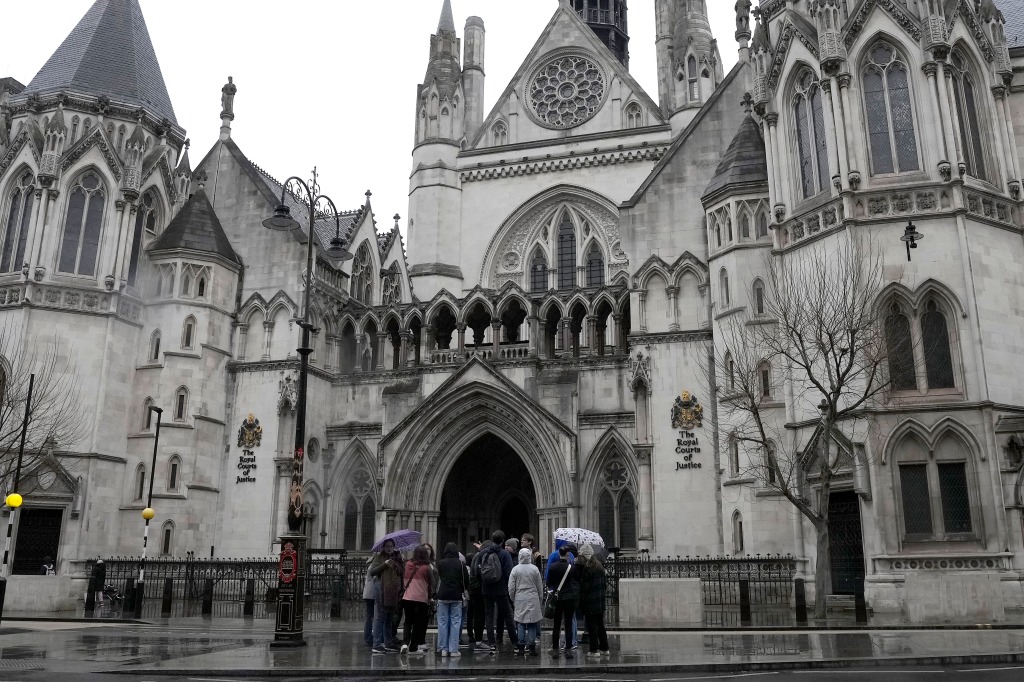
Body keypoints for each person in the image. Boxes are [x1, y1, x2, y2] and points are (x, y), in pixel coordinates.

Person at [480, 531, 518, 652]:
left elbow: (477, 571)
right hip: (501, 589)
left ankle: (492, 643)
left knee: (489, 615)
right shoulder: (504, 554)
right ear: (502, 541)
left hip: (486, 588)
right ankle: (515, 642)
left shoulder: (484, 552)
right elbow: (509, 573)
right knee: (508, 615)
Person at [369, 539, 404, 654]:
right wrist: (384, 565)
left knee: (390, 617)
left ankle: (388, 643)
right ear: (383, 547)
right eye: (387, 546)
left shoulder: (397, 557)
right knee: (380, 617)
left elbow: (401, 572)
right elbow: (372, 571)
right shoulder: (379, 557)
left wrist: (400, 561)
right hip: (381, 590)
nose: (389, 548)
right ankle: (377, 644)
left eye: (391, 546)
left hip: (393, 591)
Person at [545, 544, 580, 658]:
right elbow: (577, 580)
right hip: (569, 597)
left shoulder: (553, 567)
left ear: (559, 554)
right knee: (568, 624)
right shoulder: (571, 567)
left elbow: (548, 581)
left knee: (557, 624)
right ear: (567, 554)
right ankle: (568, 649)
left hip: (558, 597)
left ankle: (555, 649)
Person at [400, 545, 436, 655]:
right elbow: (431, 584)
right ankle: (413, 647)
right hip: (421, 599)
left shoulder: (408, 564)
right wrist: (430, 597)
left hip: (407, 597)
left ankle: (405, 643)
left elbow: (404, 580)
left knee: (407, 621)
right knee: (417, 623)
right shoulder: (426, 568)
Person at [508, 547, 544, 656]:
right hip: (533, 597)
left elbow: (511, 587)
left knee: (521, 622)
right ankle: (532, 647)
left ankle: (521, 647)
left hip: (520, 597)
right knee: (532, 623)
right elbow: (540, 587)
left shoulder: (515, 569)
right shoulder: (534, 569)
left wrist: (513, 598)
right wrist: (540, 599)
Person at [576, 544, 609, 657]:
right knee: (600, 625)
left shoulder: (588, 568)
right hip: (600, 601)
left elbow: (585, 587)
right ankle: (605, 648)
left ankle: (594, 650)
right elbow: (604, 585)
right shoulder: (599, 566)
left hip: (591, 602)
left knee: (592, 626)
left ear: (585, 556)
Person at [436, 542, 468, 657]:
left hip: (443, 594)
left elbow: (439, 577)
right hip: (456, 595)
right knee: (456, 622)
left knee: (442, 622)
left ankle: (443, 649)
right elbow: (466, 581)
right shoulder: (460, 564)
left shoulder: (440, 563)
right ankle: (454, 649)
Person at [467, 544, 489, 650]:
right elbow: (478, 573)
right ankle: (478, 639)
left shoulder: (477, 556)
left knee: (476, 614)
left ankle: (477, 637)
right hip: (478, 590)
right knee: (479, 614)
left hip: (474, 590)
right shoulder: (481, 556)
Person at [361, 556, 376, 647]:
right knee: (370, 617)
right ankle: (368, 638)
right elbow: (375, 578)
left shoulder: (371, 565)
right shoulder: (373, 567)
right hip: (371, 594)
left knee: (370, 616)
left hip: (369, 594)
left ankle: (369, 637)